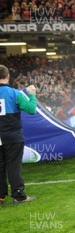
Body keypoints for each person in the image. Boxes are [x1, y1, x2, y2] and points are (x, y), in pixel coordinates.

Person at [0, 65, 37, 205]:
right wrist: (32, 95)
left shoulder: (16, 93)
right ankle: (18, 195)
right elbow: (32, 110)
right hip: (13, 136)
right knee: (14, 165)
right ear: (8, 76)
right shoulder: (16, 94)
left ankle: (0, 197)